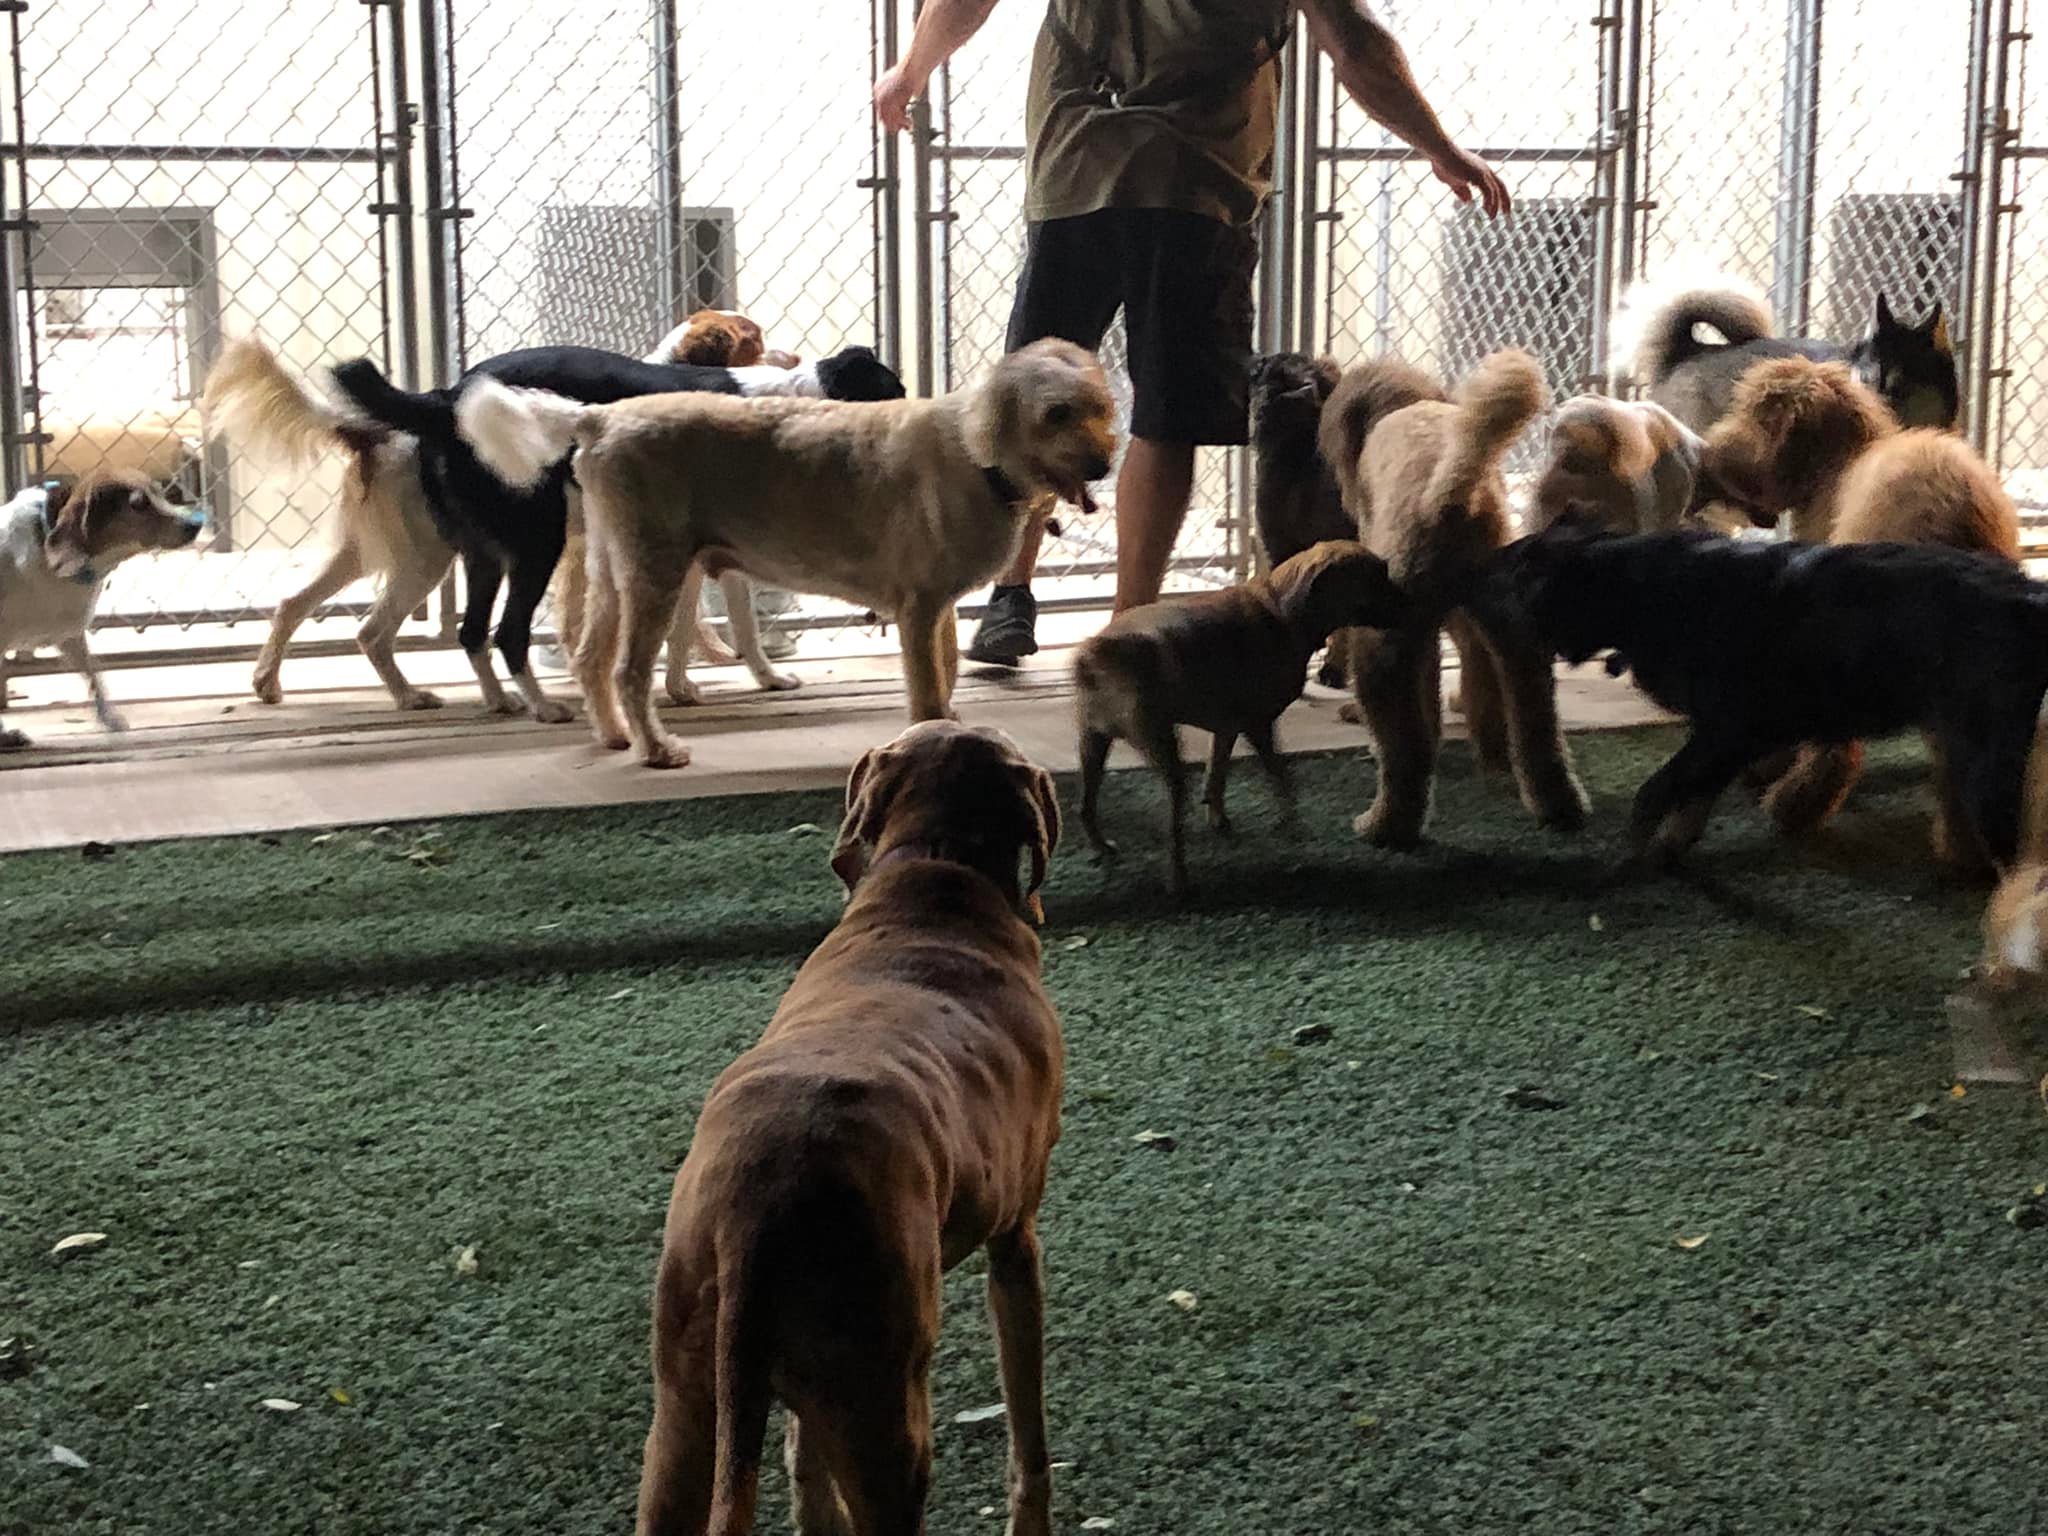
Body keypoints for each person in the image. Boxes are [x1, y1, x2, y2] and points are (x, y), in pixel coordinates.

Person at [875, 0, 1510, 664]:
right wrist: (1440, 149)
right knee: (1167, 415)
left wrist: (910, 71)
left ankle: (1010, 594)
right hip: (1198, 182)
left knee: (1031, 395)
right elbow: (1355, 44)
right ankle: (1125, 629)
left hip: (1077, 169)